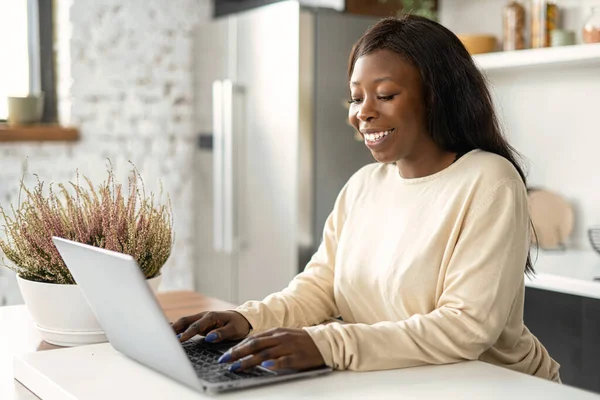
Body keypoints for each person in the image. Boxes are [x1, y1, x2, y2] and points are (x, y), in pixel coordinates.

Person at [173, 15, 561, 382]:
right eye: (357, 99)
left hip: (500, 386)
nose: (364, 113)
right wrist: (247, 320)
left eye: (385, 95)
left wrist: (327, 344)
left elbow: (465, 327)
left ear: (436, 97)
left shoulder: (490, 180)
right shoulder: (363, 185)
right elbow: (319, 288)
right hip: (406, 380)